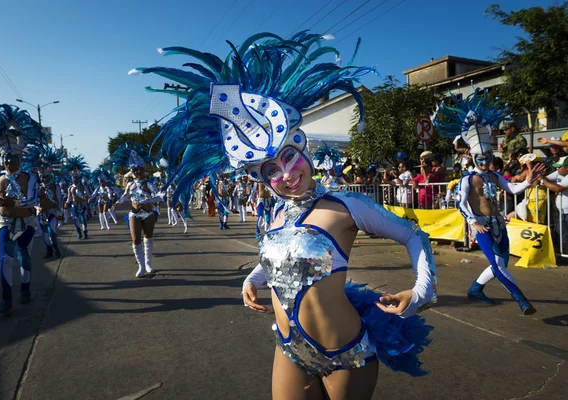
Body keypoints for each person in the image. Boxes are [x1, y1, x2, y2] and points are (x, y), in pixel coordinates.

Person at [133, 32, 434, 398]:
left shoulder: (345, 206)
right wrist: (253, 279)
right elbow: (279, 259)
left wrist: (421, 291)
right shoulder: (275, 213)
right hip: (289, 348)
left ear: (302, 147)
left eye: (289, 158)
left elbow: (413, 235)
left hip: (344, 352)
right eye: (271, 170)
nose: (286, 175)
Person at [434, 88, 544, 315]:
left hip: (498, 223)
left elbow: (512, 188)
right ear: (473, 157)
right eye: (480, 158)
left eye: (488, 157)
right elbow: (461, 203)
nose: (484, 161)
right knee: (497, 264)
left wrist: (528, 182)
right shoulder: (468, 178)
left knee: (502, 262)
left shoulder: (494, 176)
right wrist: (473, 222)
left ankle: (475, 289)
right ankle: (521, 299)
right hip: (481, 226)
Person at [0, 104, 47, 313]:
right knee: (5, 258)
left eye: (13, 158)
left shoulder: (30, 177)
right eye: (5, 158)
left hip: (27, 223)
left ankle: (25, 288)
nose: (8, 162)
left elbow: (32, 201)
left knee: (24, 256)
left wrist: (14, 203)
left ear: (20, 159)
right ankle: (6, 298)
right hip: (5, 222)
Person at [111, 142, 164, 278]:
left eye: (140, 169)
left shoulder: (149, 184)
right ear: (132, 171)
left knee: (148, 238)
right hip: (134, 214)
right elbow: (125, 195)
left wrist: (147, 201)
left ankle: (148, 264)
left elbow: (160, 196)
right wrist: (118, 202)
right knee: (135, 240)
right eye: (135, 170)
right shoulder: (130, 184)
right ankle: (140, 266)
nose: (138, 171)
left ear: (144, 170)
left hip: (148, 214)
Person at [22, 145, 64, 258]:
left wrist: (60, 212)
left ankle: (56, 248)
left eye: (46, 176)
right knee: (45, 236)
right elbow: (33, 200)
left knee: (52, 233)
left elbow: (59, 200)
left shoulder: (55, 187)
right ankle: (49, 250)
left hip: (52, 212)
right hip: (40, 214)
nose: (44, 179)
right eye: (42, 177)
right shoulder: (36, 187)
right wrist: (36, 208)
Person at [538, 156, 568, 253]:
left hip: (567, 212)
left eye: (559, 167)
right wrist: (542, 178)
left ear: (567, 167)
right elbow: (547, 179)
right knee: (562, 235)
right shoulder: (560, 173)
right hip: (562, 212)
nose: (557, 169)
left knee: (564, 236)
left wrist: (542, 179)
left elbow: (557, 188)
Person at [62, 156, 90, 239]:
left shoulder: (83, 186)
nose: (75, 180)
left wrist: (86, 197)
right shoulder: (70, 188)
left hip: (82, 204)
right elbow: (69, 197)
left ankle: (85, 232)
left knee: (83, 219)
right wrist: (67, 203)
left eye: (77, 178)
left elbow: (87, 194)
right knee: (75, 219)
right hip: (74, 205)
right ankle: (79, 232)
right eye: (74, 179)